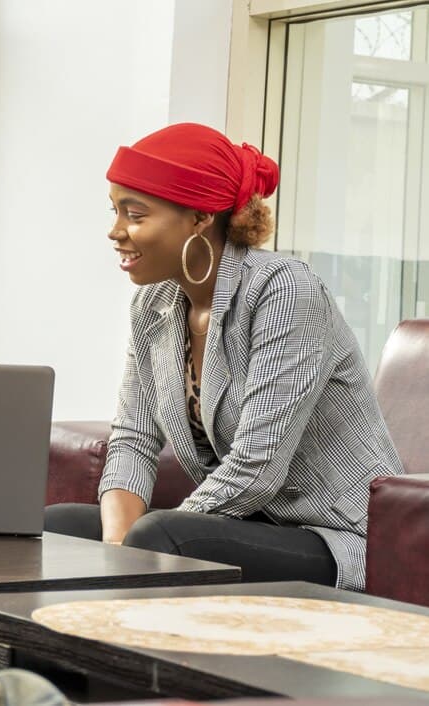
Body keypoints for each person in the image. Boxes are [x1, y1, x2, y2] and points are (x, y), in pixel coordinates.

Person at [44, 122, 403, 592]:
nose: (116, 232)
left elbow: (258, 466)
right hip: (240, 526)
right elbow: (133, 438)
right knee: (58, 529)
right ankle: (55, 665)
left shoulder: (283, 289)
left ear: (199, 217)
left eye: (135, 214)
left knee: (161, 537)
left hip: (336, 538)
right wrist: (116, 546)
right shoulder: (154, 304)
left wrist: (140, 547)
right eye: (115, 211)